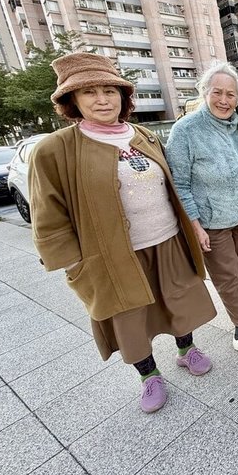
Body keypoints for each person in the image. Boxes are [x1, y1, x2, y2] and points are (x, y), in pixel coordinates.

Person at [29, 52, 216, 414]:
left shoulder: (143, 135)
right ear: (72, 102)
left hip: (167, 240)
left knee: (179, 302)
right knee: (129, 319)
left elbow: (172, 187)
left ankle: (186, 350)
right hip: (113, 256)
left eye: (109, 91)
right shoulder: (56, 150)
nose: (102, 99)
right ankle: (149, 376)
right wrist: (74, 265)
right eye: (89, 93)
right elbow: (47, 214)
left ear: (123, 96)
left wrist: (191, 226)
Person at [165, 62, 238, 352]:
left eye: (231, 94)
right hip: (212, 221)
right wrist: (195, 225)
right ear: (204, 93)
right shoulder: (185, 131)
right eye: (217, 93)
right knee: (228, 275)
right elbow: (180, 185)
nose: (224, 100)